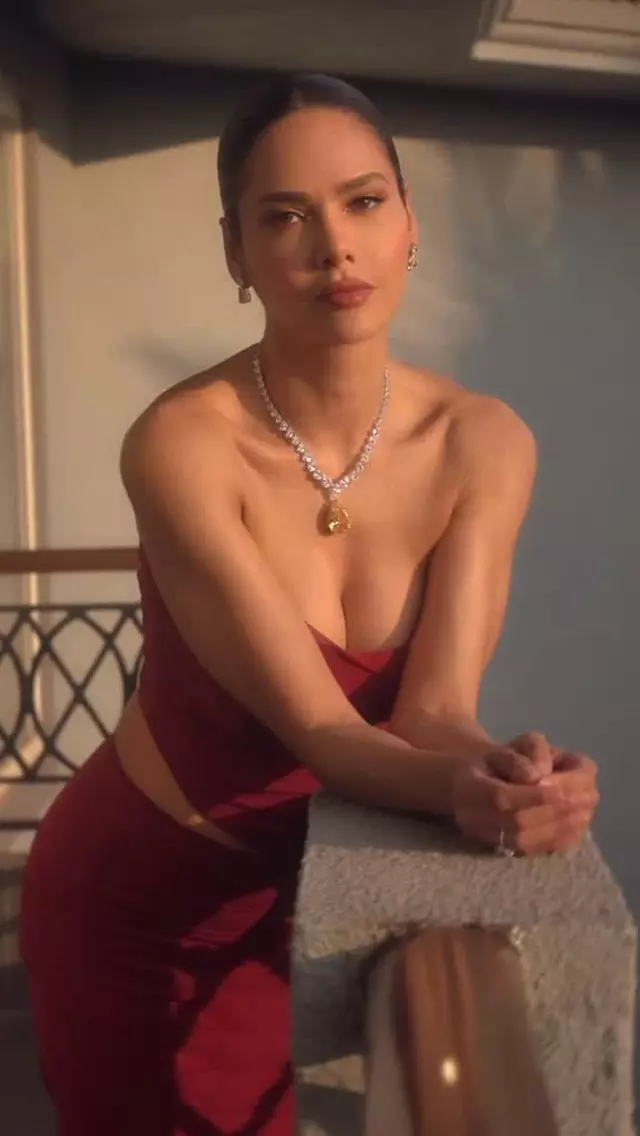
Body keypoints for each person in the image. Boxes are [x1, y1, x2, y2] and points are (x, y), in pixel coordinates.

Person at [20, 72, 599, 1135]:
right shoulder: (182, 444)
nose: (333, 246)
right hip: (144, 905)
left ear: (408, 223)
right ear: (237, 253)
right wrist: (465, 792)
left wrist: (514, 777)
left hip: (323, 904)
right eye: (284, 217)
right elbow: (325, 732)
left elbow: (430, 712)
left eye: (363, 202)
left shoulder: (481, 442)